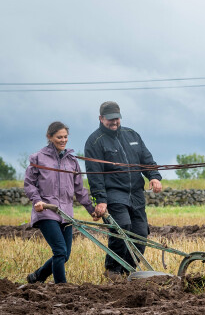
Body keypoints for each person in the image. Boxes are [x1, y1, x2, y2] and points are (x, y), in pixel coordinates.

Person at [84, 101, 163, 279]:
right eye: (110, 119)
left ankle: (129, 270)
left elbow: (146, 160)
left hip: (135, 194)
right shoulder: (94, 141)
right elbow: (94, 174)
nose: (114, 122)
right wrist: (101, 199)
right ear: (101, 118)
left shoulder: (132, 135)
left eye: (117, 118)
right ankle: (113, 269)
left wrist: (154, 176)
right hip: (113, 193)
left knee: (141, 234)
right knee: (122, 227)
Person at [24, 121, 99, 284]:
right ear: (50, 137)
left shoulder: (72, 160)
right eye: (59, 137)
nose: (63, 140)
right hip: (46, 210)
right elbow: (29, 183)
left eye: (65, 137)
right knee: (59, 251)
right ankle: (61, 287)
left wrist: (90, 209)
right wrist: (37, 200)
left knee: (65, 255)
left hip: (66, 214)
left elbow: (79, 189)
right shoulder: (38, 158)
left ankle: (37, 276)